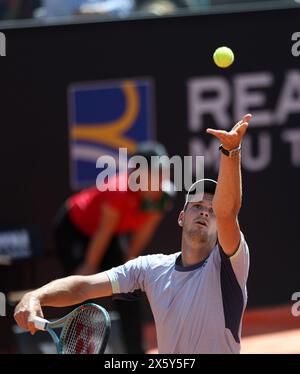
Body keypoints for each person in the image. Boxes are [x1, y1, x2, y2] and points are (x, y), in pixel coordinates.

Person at [14, 114, 252, 354]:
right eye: (197, 206)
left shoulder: (226, 266)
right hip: (76, 229)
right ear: (182, 217)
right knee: (89, 287)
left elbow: (227, 212)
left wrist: (231, 151)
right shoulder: (120, 201)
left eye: (211, 209)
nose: (204, 212)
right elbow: (84, 283)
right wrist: (37, 295)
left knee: (127, 298)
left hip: (113, 235)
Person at [52, 140, 175, 353]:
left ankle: (135, 352)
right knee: (81, 287)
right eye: (155, 173)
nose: (162, 178)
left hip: (109, 236)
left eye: (163, 172)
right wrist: (89, 266)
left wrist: (129, 261)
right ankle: (73, 349)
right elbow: (103, 232)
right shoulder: (117, 190)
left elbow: (144, 231)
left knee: (128, 288)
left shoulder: (164, 195)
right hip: (73, 229)